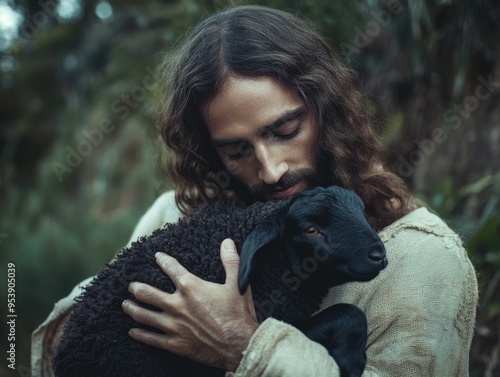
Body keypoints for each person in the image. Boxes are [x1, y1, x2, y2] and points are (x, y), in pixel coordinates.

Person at [32, 5, 478, 376]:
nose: (270, 170)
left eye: (285, 130)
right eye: (236, 150)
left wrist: (245, 346)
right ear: (209, 151)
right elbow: (74, 343)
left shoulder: (423, 258)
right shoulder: (174, 215)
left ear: (328, 112)